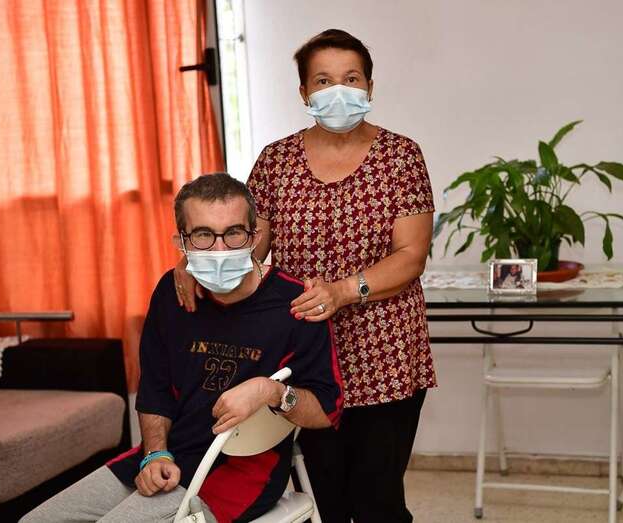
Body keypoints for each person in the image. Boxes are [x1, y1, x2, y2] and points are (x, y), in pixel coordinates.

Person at [175, 29, 436, 523]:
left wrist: (342, 291)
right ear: (304, 93)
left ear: (370, 86)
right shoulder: (276, 162)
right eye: (323, 80)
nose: (338, 90)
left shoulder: (402, 157)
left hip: (385, 353)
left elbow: (410, 256)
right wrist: (193, 262)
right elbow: (244, 243)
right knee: (327, 498)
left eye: (351, 78)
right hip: (305, 360)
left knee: (378, 501)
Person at [22, 173, 343, 523]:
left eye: (234, 233)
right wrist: (155, 454)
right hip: (167, 457)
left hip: (238, 473)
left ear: (255, 237)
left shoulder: (298, 304)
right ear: (182, 241)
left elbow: (326, 411)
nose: (220, 250)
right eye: (204, 235)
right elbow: (155, 389)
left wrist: (272, 391)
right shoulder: (172, 294)